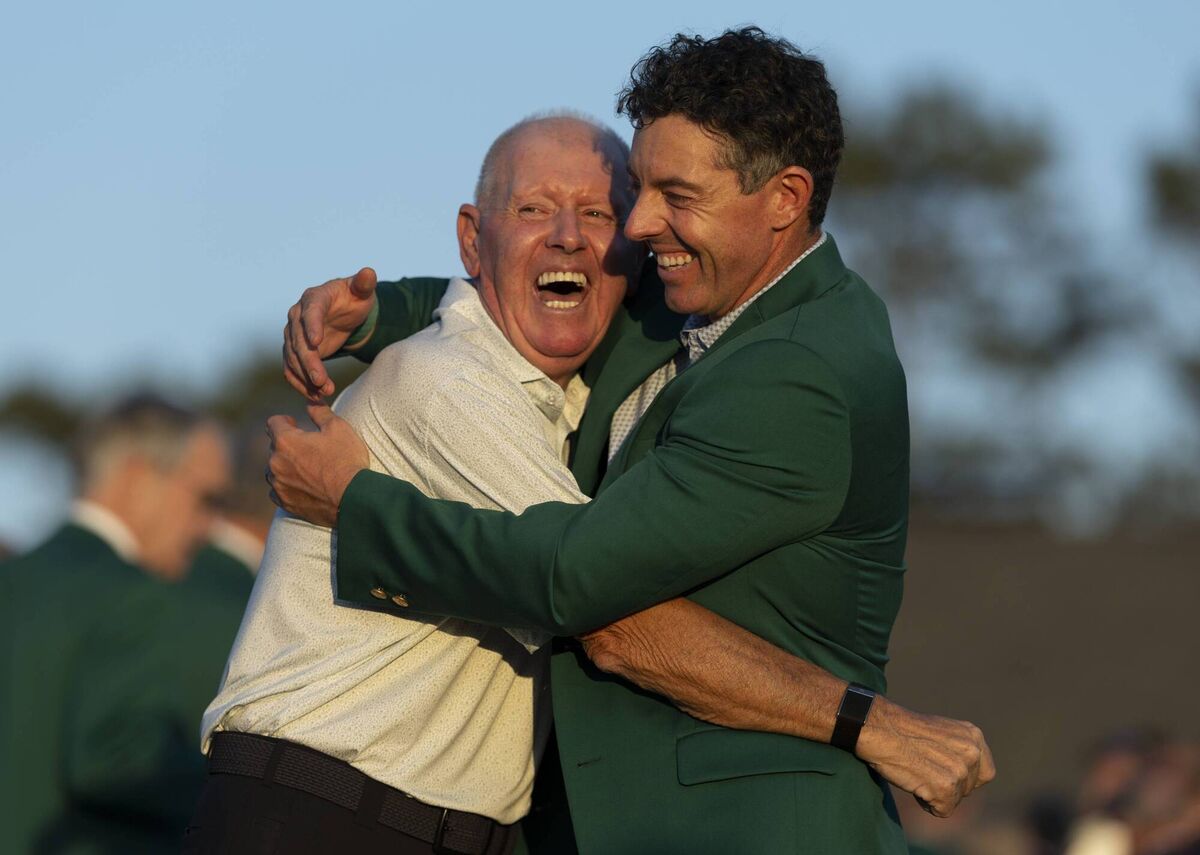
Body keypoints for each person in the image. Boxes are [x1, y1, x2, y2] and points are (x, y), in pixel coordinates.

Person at [271, 29, 994, 855]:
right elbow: (550, 288)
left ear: (786, 197)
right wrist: (381, 311)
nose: (640, 225)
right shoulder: (709, 293)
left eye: (675, 195)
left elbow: (577, 580)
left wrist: (356, 504)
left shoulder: (796, 374)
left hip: (749, 829)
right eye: (640, 189)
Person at [0, 394, 231, 854]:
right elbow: (118, 761)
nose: (208, 527)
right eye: (204, 499)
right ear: (138, 477)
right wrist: (242, 789)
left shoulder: (14, 578)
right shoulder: (132, 591)